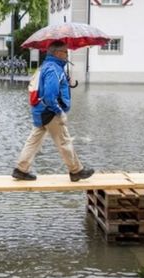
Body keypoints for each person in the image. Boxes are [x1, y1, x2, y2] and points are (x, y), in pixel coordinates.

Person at [12, 41, 94, 182]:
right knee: (64, 141)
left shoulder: (49, 66)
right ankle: (76, 171)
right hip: (50, 112)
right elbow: (50, 95)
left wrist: (64, 80)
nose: (67, 55)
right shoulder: (54, 69)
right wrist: (59, 112)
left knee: (33, 141)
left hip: (40, 111)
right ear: (57, 53)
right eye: (65, 52)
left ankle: (20, 170)